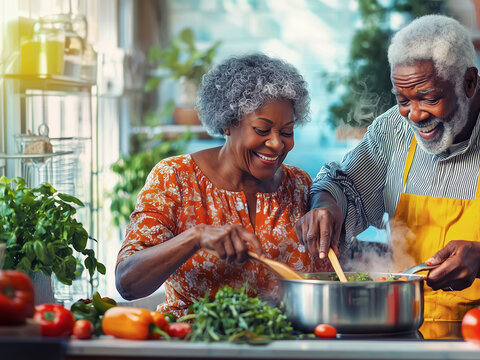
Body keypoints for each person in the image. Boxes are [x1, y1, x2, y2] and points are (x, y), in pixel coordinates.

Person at [297, 15, 480, 339]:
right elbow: (342, 184)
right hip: (404, 334)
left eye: (430, 98)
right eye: (403, 99)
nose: (415, 115)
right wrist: (326, 206)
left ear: (468, 81)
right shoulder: (391, 130)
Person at [116, 53, 329, 317]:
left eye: (287, 132)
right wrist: (195, 237)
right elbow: (127, 283)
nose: (277, 144)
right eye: (262, 130)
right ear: (228, 123)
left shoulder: (298, 185)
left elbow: (326, 280)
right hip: (195, 345)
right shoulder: (175, 178)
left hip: (283, 344)